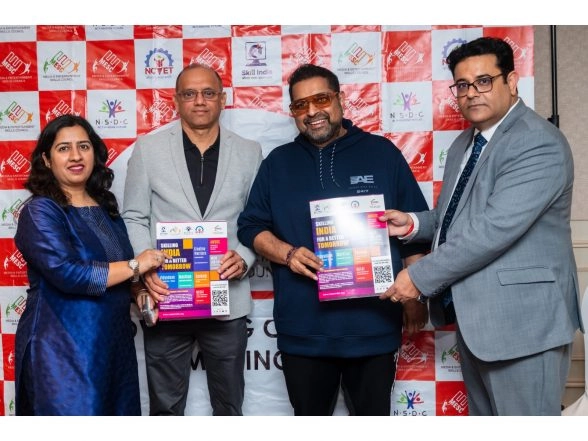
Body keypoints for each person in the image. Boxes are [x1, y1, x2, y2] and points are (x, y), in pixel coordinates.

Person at [379, 37, 583, 415]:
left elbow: (493, 230)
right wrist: (412, 224)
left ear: (512, 81)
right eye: (462, 85)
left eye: (484, 81)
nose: (472, 92)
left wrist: (418, 277)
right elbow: (454, 216)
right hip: (478, 324)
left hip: (525, 326)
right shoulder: (465, 144)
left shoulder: (537, 142)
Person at [237, 64, 430, 416]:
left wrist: (415, 294)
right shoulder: (278, 163)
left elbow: (415, 231)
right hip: (303, 331)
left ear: (340, 99)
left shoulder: (382, 153)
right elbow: (250, 227)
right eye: (300, 105)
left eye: (321, 99)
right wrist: (287, 253)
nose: (312, 111)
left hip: (373, 326)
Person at [122, 63, 263, 416]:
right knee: (165, 409)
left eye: (208, 93)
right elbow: (134, 216)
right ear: (176, 100)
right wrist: (145, 265)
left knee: (229, 407)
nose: (199, 101)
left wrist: (245, 257)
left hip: (226, 297)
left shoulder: (249, 151)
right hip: (168, 296)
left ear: (222, 99)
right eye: (190, 93)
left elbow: (257, 219)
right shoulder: (148, 149)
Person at [13, 114, 167, 416]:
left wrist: (139, 292)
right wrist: (137, 265)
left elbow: (118, 269)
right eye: (63, 148)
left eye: (83, 146)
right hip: (62, 349)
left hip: (113, 347)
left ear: (95, 154)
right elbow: (69, 274)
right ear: (46, 159)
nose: (75, 156)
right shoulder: (40, 211)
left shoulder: (106, 207)